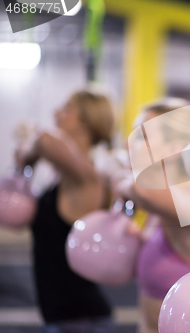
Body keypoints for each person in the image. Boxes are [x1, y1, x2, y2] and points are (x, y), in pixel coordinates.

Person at [112, 98, 190, 333]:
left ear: (175, 148)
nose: (130, 145)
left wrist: (123, 184)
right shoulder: (162, 203)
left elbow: (137, 188)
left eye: (143, 137)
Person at [15, 90, 115, 333]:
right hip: (64, 319)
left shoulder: (87, 179)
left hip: (81, 321)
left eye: (67, 108)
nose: (56, 113)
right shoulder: (65, 179)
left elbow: (44, 140)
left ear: (86, 122)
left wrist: (28, 150)